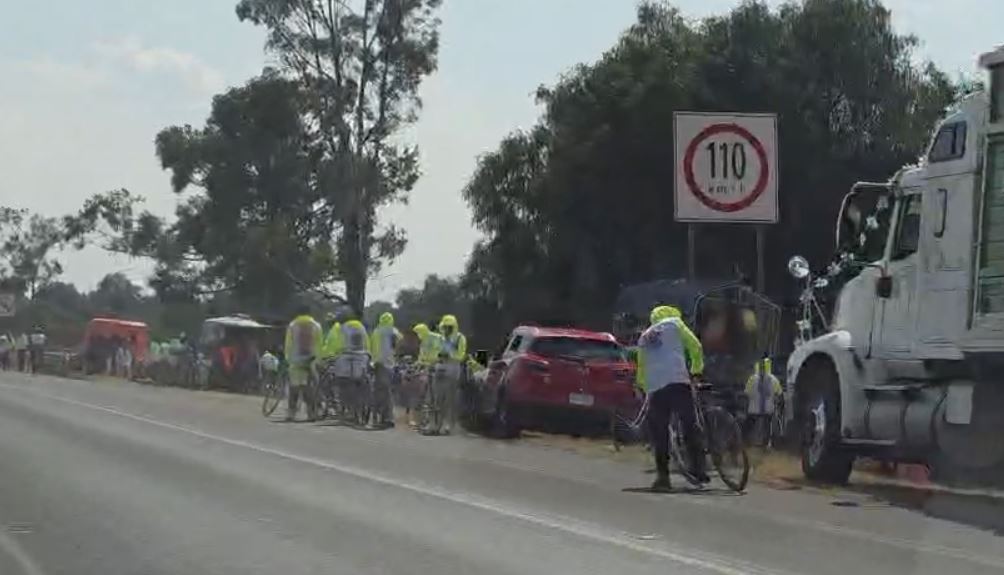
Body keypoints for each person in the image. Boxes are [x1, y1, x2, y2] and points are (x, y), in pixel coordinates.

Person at [636, 305, 708, 492]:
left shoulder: (644, 337)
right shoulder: (675, 324)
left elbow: (641, 368)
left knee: (660, 433)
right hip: (678, 381)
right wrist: (697, 370)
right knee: (689, 423)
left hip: (656, 387)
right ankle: (698, 468)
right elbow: (695, 346)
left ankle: (663, 477)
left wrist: (643, 387)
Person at [284, 306, 322, 422]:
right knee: (309, 388)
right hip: (310, 360)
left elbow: (288, 344)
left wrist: (288, 358)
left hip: (295, 361)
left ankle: (291, 413)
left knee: (294, 388)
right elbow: (319, 344)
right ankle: (312, 413)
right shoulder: (316, 326)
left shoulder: (293, 325)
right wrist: (318, 360)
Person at [435, 315, 467, 435]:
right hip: (440, 369)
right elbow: (435, 351)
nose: (447, 329)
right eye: (445, 327)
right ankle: (438, 423)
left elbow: (461, 355)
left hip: (452, 370)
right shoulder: (440, 338)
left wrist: (450, 355)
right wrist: (437, 356)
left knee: (450, 399)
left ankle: (449, 424)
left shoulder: (460, 338)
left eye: (449, 327)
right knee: (439, 399)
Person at [370, 312, 402, 428]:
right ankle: (386, 416)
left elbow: (373, 348)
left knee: (381, 391)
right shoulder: (395, 332)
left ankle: (385, 417)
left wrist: (373, 361)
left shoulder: (377, 332)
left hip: (380, 363)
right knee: (388, 391)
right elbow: (399, 346)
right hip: (392, 364)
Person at [745, 356, 783, 446]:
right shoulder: (774, 380)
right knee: (767, 428)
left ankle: (753, 442)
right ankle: (765, 443)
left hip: (754, 411)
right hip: (767, 411)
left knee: (753, 428)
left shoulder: (752, 379)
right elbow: (780, 394)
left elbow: (746, 393)